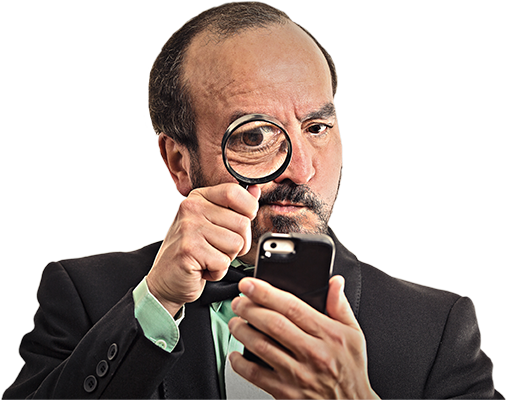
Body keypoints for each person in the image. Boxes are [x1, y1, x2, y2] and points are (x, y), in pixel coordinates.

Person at [4, 2, 503, 400]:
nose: (302, 170)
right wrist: (156, 303)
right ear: (179, 162)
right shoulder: (83, 297)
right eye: (255, 136)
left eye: (317, 127)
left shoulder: (436, 329)